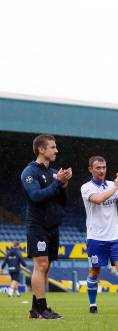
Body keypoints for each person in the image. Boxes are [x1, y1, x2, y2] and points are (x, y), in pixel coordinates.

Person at [81, 156, 118, 314]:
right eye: (98, 168)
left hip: (114, 237)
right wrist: (115, 187)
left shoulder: (111, 185)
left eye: (104, 167)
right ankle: (93, 305)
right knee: (95, 271)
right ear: (91, 169)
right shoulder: (86, 187)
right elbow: (99, 199)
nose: (102, 170)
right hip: (95, 238)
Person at [21, 134, 72, 319]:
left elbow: (61, 201)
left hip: (52, 226)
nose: (56, 150)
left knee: (47, 266)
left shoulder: (54, 173)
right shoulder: (30, 172)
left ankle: (35, 310)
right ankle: (42, 310)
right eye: (52, 147)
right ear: (41, 150)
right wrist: (57, 182)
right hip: (37, 225)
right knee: (40, 265)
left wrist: (64, 185)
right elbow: (36, 196)